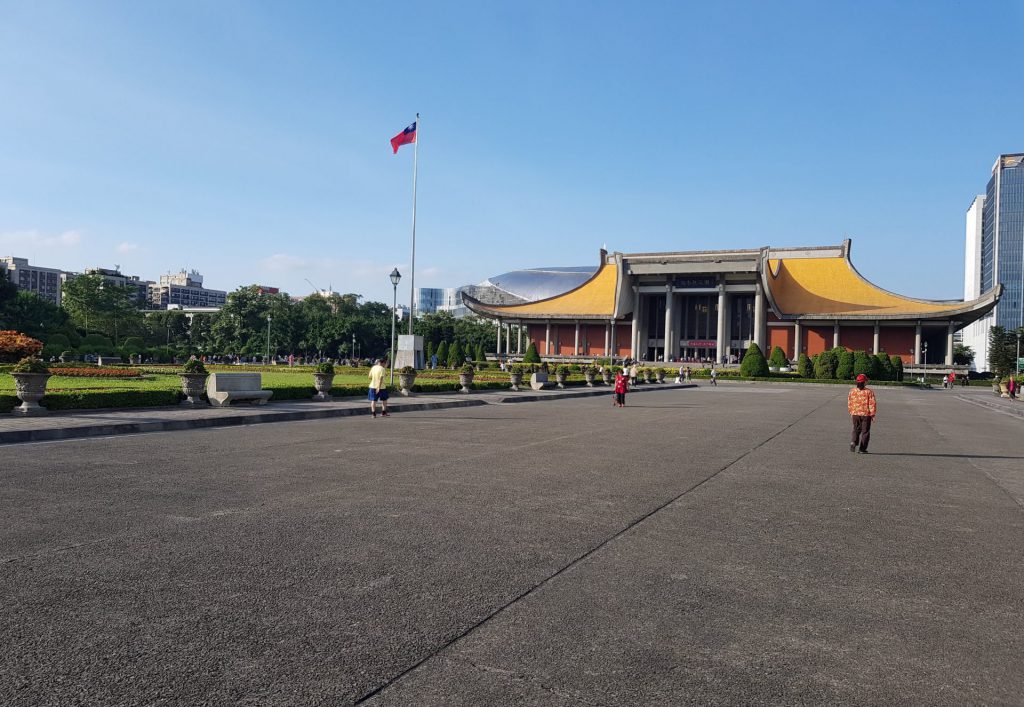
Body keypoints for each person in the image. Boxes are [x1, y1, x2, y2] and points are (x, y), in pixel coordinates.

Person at [848, 373, 877, 453]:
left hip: (855, 414)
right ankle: (862, 449)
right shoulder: (869, 392)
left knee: (856, 429)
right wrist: (873, 414)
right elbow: (872, 404)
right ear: (864, 382)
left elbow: (850, 402)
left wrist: (851, 411)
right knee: (865, 431)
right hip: (866, 414)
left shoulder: (852, 391)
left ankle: (853, 442)